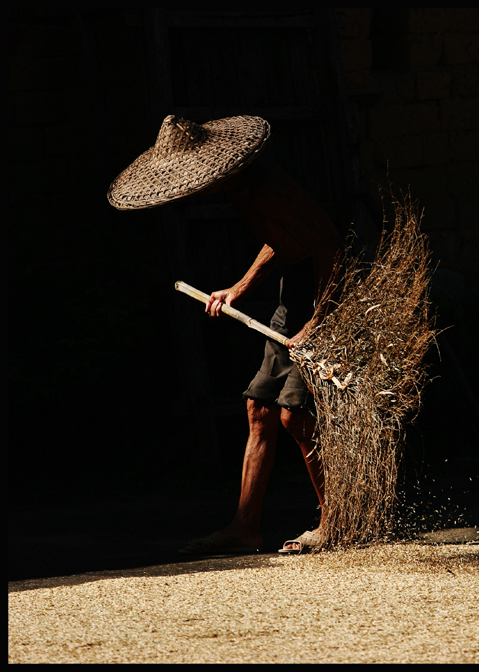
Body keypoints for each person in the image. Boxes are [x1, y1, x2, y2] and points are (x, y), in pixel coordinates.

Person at [108, 114, 345, 554]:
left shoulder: (266, 188)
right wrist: (238, 288)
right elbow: (282, 240)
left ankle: (335, 521)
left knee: (295, 414)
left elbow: (328, 247)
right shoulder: (243, 192)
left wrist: (318, 321)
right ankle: (245, 526)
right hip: (293, 288)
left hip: (325, 289)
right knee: (259, 407)